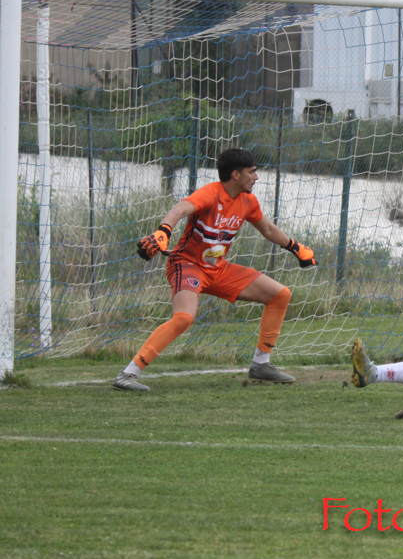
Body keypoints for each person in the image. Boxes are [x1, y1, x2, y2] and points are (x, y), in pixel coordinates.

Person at [112, 148, 318, 391]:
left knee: (280, 295)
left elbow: (267, 229)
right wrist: (163, 231)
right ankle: (128, 374)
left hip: (218, 269)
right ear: (236, 175)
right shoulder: (211, 193)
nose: (256, 177)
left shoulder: (248, 201)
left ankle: (261, 365)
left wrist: (295, 247)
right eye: (252, 172)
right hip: (187, 265)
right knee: (184, 318)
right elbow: (179, 209)